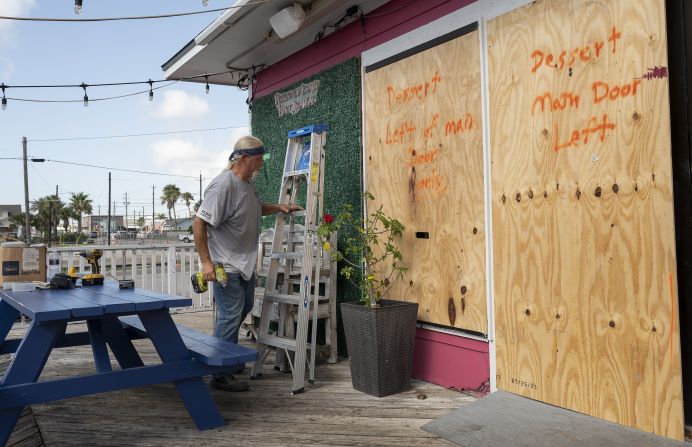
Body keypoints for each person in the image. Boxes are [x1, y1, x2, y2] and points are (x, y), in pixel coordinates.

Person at [193, 135, 302, 392]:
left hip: (244, 264)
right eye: (258, 158)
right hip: (224, 266)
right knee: (231, 314)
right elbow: (199, 222)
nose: (262, 163)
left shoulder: (248, 184)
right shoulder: (223, 186)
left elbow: (254, 207)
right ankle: (219, 372)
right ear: (243, 158)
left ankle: (226, 357)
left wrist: (278, 207)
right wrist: (206, 262)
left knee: (245, 307)